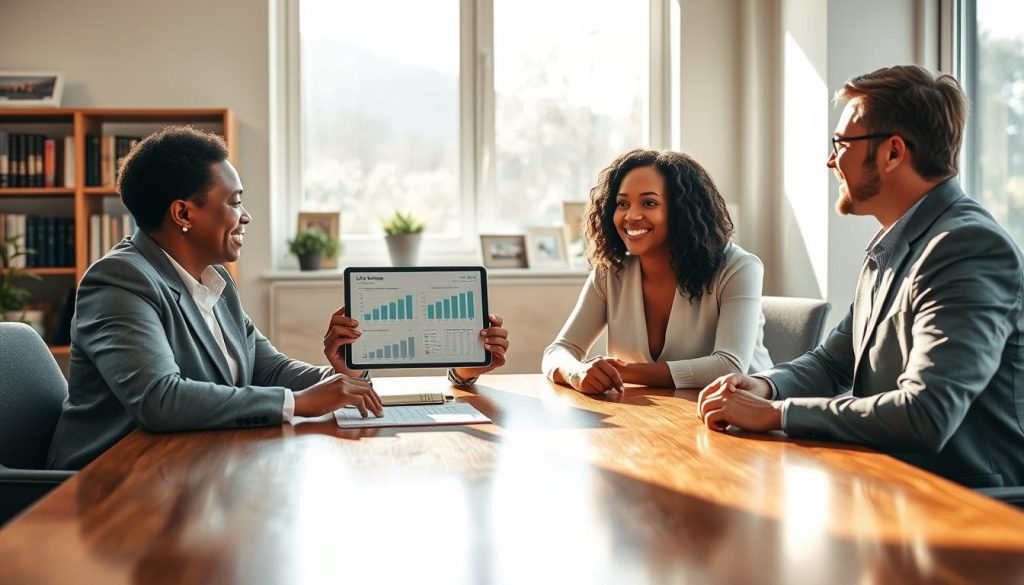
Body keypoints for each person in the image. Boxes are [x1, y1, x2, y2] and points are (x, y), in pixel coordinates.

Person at [47, 126, 509, 470]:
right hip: (108, 485)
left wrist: (342, 371)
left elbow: (266, 368)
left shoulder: (215, 280)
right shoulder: (120, 281)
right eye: (234, 202)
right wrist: (300, 403)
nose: (245, 217)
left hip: (185, 466)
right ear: (183, 213)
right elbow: (158, 398)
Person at [697, 65, 1024, 488]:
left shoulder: (967, 247)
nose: (830, 160)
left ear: (892, 152)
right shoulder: (893, 244)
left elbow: (928, 412)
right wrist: (764, 386)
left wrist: (778, 415)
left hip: (968, 506)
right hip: (887, 486)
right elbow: (832, 361)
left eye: (841, 143)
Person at [542, 149, 772, 394]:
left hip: (742, 417)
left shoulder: (739, 267)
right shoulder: (610, 272)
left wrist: (620, 372)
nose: (631, 215)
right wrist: (576, 372)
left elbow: (728, 366)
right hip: (652, 417)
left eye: (649, 203)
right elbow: (558, 351)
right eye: (622, 204)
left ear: (683, 210)